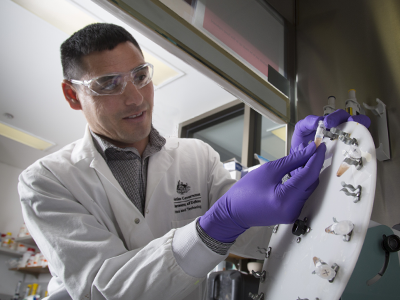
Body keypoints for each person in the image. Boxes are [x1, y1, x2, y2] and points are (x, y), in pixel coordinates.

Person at [18, 23, 369, 300]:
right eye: (109, 84)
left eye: (140, 76)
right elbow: (102, 289)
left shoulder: (196, 156)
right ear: (72, 94)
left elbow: (260, 237)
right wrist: (216, 223)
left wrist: (316, 172)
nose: (135, 97)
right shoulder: (46, 180)